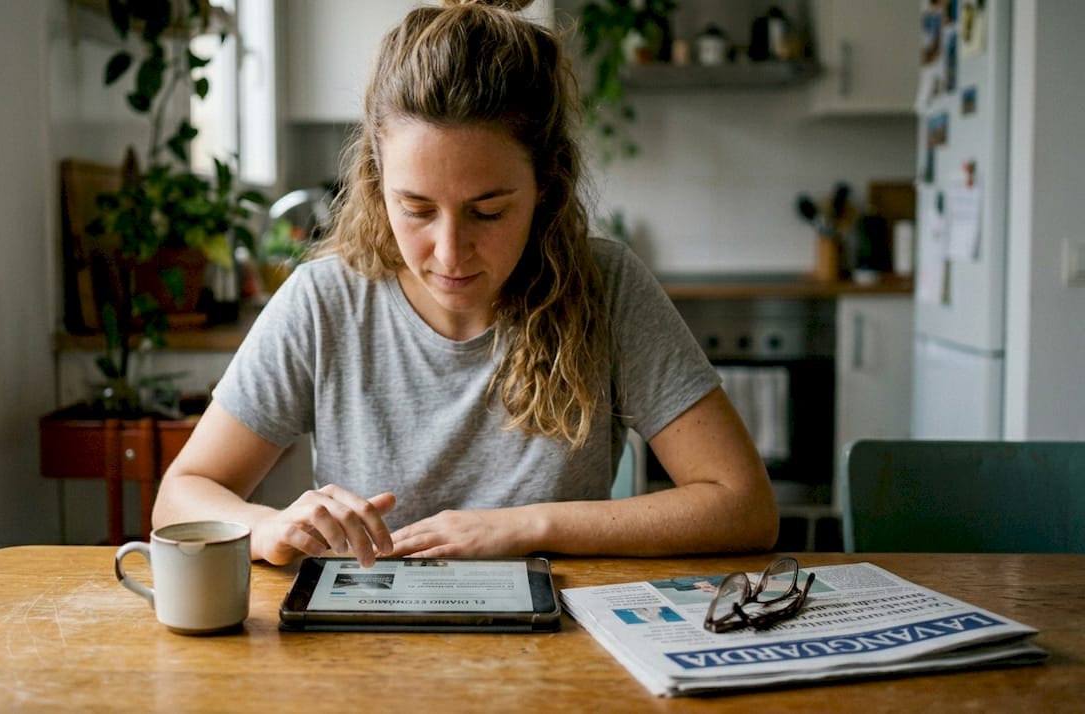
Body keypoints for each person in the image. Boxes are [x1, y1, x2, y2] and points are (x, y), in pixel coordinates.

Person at [153, 0, 779, 567]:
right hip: (371, 651)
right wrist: (267, 526)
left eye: (489, 211)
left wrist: (524, 526)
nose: (450, 252)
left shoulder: (606, 287)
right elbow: (182, 494)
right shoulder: (323, 301)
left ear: (546, 184)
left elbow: (743, 506)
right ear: (376, 180)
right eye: (417, 209)